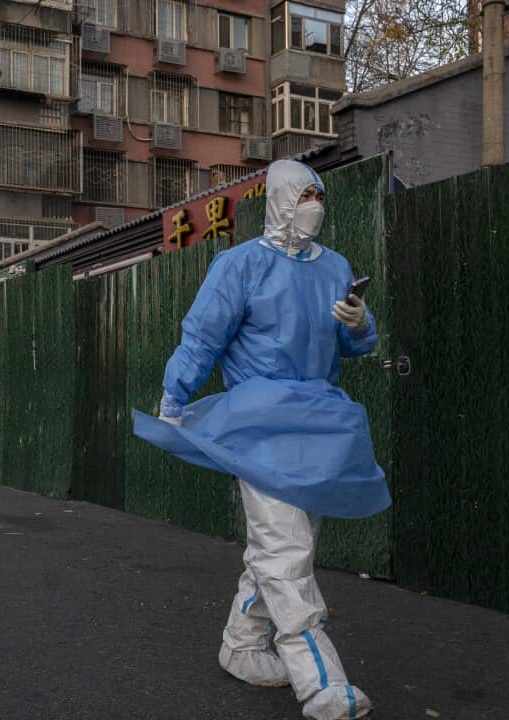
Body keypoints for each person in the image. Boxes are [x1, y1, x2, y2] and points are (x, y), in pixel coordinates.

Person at [133, 159, 391, 720]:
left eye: (317, 195)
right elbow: (202, 337)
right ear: (277, 199)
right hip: (259, 424)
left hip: (319, 422)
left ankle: (242, 645)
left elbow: (356, 346)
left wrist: (358, 323)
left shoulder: (336, 266)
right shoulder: (240, 265)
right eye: (302, 195)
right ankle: (321, 681)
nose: (312, 205)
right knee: (285, 549)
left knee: (285, 547)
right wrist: (174, 400)